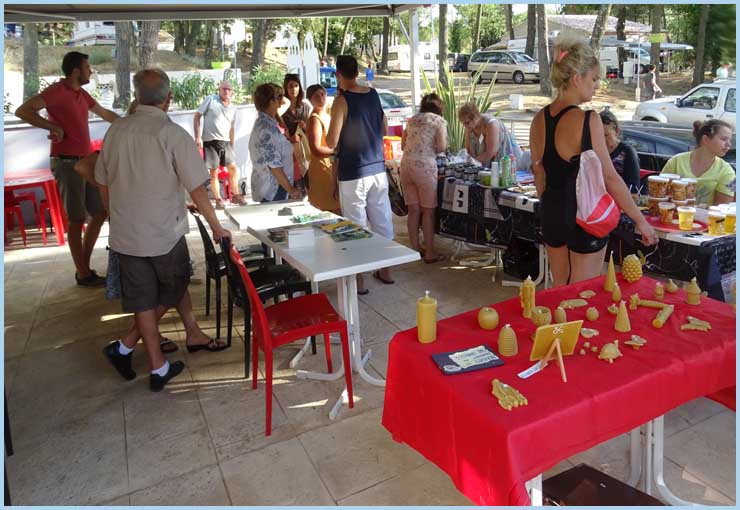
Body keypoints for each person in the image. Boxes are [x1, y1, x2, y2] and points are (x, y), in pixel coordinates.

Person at [95, 69, 231, 392]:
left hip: (126, 235)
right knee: (176, 284)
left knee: (143, 300)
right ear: (168, 100)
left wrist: (114, 216)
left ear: (137, 97)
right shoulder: (171, 134)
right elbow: (197, 188)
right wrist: (217, 226)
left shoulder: (116, 131)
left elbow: (101, 180)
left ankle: (154, 364)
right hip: (162, 234)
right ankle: (130, 349)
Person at [529, 38, 657, 287]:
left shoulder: (539, 119)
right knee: (581, 294)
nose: (597, 85)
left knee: (560, 289)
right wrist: (640, 221)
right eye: (594, 78)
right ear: (577, 78)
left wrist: (551, 205)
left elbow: (538, 172)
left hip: (552, 213)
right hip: (585, 216)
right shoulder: (588, 120)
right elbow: (610, 177)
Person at [15, 51, 119, 287]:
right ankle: (83, 273)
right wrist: (52, 127)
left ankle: (84, 266)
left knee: (100, 212)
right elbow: (23, 111)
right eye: (87, 67)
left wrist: (130, 124)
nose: (91, 71)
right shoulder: (56, 91)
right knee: (76, 219)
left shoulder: (82, 94)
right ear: (75, 71)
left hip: (86, 162)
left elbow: (104, 113)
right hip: (66, 163)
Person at [326, 55, 394, 294]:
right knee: (382, 219)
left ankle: (360, 279)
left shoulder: (341, 101)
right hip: (377, 167)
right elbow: (384, 127)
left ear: (338, 74)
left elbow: (331, 141)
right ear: (357, 72)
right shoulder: (373, 94)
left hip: (353, 171)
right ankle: (385, 269)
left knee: (355, 225)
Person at [400, 93, 447, 263]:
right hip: (425, 167)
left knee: (413, 210)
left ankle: (414, 249)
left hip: (405, 165)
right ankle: (430, 252)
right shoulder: (438, 121)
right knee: (428, 211)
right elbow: (441, 147)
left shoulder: (412, 120)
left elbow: (403, 144)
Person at [194, 80, 246, 208]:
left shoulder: (233, 108)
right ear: (219, 89)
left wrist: (232, 144)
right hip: (210, 141)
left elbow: (232, 128)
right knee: (214, 172)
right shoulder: (211, 100)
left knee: (233, 168)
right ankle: (218, 200)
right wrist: (197, 137)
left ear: (232, 91)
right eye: (224, 88)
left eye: (229, 89)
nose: (226, 91)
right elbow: (197, 117)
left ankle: (236, 196)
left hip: (225, 142)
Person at [661, 119, 735, 207]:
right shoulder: (676, 161)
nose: (729, 144)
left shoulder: (728, 171)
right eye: (724, 139)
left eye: (729, 140)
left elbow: (723, 208)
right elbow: (659, 192)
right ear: (706, 139)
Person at [249, 83, 302, 203]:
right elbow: (274, 165)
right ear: (271, 101)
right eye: (278, 97)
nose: (281, 100)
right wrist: (291, 190)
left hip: (275, 186)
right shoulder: (266, 128)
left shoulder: (267, 123)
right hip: (274, 188)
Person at [304, 84, 341, 214]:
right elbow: (316, 148)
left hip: (332, 166)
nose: (321, 98)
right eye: (316, 96)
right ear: (310, 100)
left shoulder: (328, 115)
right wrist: (336, 151)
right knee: (329, 208)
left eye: (322, 94)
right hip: (322, 167)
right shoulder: (314, 119)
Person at [281, 73, 311, 189]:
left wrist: (305, 127)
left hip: (304, 151)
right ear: (285, 88)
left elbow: (311, 130)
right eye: (290, 86)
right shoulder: (281, 108)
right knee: (293, 184)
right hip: (288, 153)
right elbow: (277, 130)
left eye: (296, 86)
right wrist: (289, 139)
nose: (293, 89)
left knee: (308, 182)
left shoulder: (305, 107)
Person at [599, 109, 641, 192]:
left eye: (607, 135)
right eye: (599, 135)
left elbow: (633, 186)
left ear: (617, 131)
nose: (602, 139)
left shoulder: (627, 152)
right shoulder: (592, 150)